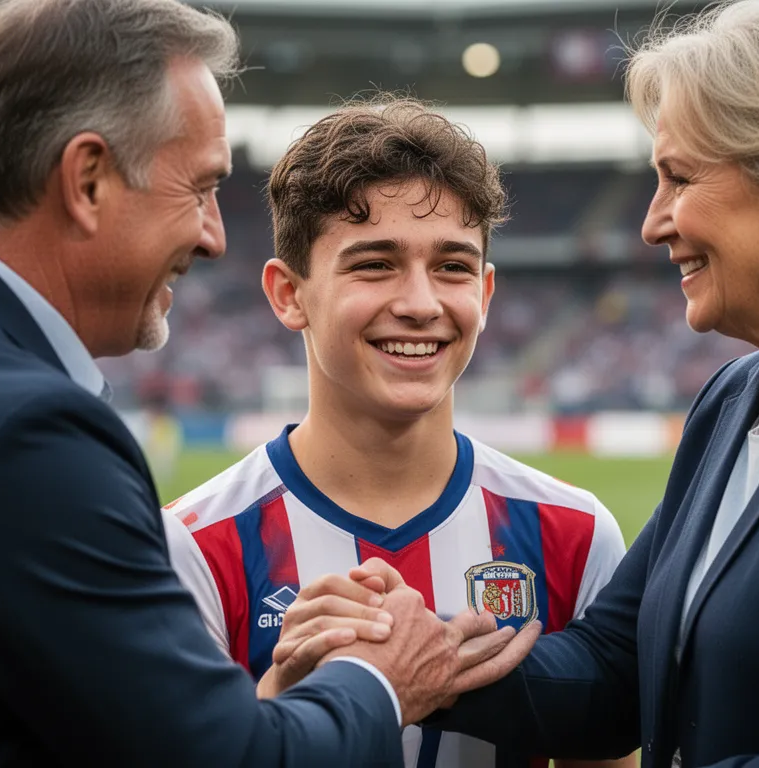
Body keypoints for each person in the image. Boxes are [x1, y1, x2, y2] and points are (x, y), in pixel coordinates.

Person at [0, 1, 531, 765]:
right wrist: (378, 676)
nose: (213, 235)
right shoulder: (25, 435)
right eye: (199, 189)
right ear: (88, 180)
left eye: (452, 266)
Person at [350, 2, 759, 766]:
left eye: (679, 179)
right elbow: (614, 667)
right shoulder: (736, 398)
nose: (653, 222)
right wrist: (419, 658)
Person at [163, 97, 634, 768]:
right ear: (288, 294)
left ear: (485, 294)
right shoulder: (191, 549)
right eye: (375, 264)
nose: (420, 303)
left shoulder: (576, 533)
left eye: (452, 267)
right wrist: (277, 706)